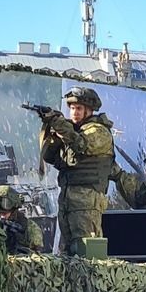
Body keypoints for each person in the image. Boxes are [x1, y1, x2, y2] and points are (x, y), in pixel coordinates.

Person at [38, 87, 115, 255]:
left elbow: (81, 145)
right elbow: (51, 157)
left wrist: (61, 126)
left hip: (88, 200)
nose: (74, 112)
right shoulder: (72, 131)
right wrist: (54, 131)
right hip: (67, 197)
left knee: (88, 252)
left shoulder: (99, 131)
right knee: (67, 250)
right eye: (72, 108)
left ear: (89, 110)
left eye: (79, 108)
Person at [0, 185, 43, 255]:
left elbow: (37, 258)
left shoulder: (30, 228)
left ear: (14, 210)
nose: (1, 216)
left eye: (4, 213)